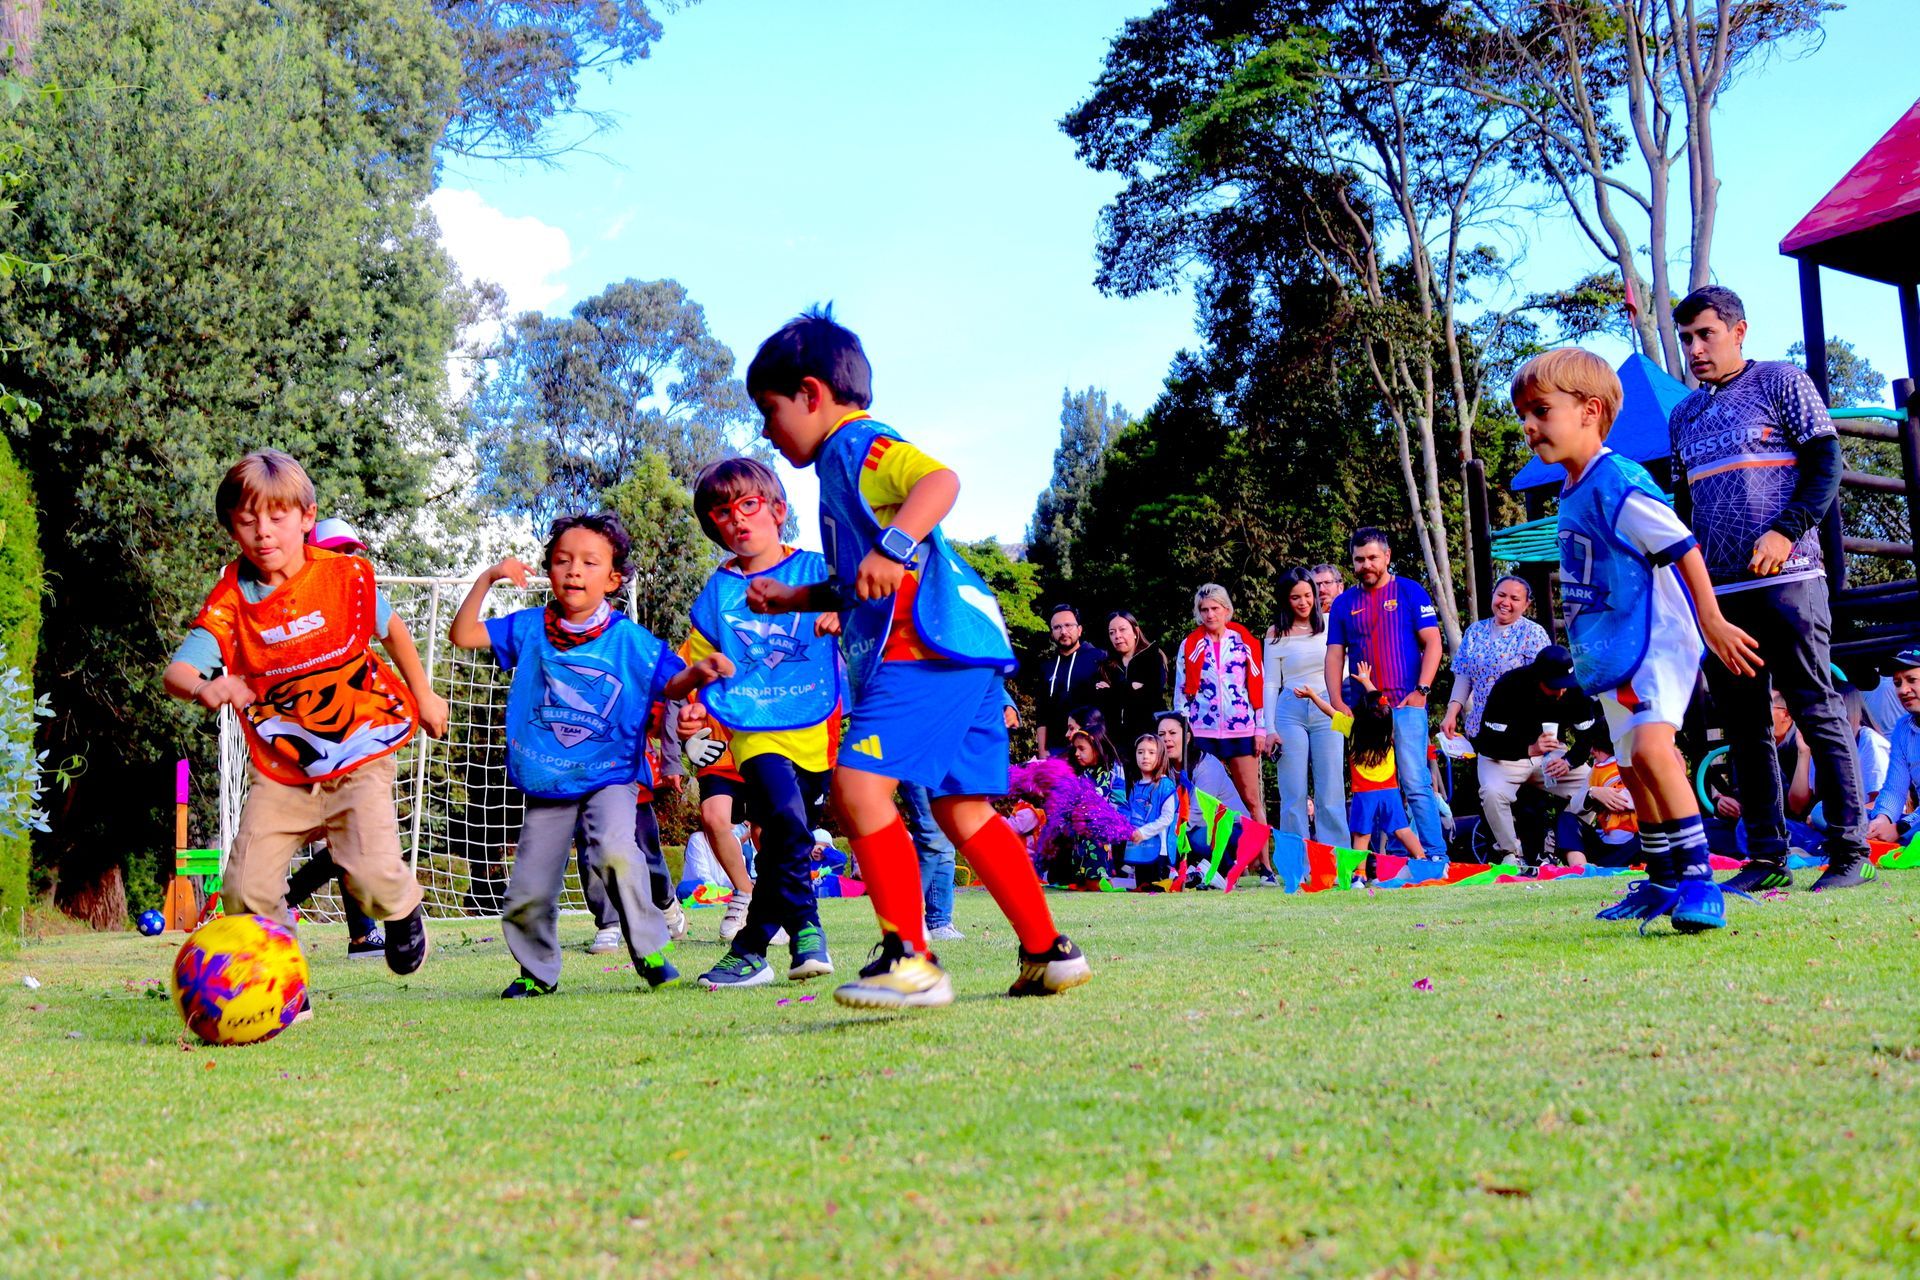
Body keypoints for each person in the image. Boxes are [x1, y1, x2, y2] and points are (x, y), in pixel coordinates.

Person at [743, 306, 1090, 1008]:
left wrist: (895, 545)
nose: (765, 430)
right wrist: (794, 598)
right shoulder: (839, 477)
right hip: (965, 652)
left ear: (812, 395)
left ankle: (911, 958)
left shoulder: (857, 445)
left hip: (922, 652)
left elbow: (939, 483)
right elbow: (859, 582)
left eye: (769, 410)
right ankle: (1049, 951)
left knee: (858, 787)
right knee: (966, 810)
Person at [162, 450, 443, 982]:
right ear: (231, 528)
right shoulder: (231, 601)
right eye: (247, 521)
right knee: (244, 886)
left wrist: (424, 695)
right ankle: (284, 982)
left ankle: (404, 907)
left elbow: (394, 630)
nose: (263, 533)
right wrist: (206, 685)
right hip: (285, 768)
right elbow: (177, 671)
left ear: (307, 518)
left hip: (358, 748)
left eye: (277, 517)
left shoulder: (341, 577)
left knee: (371, 879)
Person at [1516, 346, 1762, 931]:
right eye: (1524, 413)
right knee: (1630, 765)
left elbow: (1683, 546)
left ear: (1589, 410)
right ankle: (1660, 882)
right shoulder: (1572, 489)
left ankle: (1701, 882)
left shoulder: (1618, 481)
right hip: (1611, 651)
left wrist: (1712, 621)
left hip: (1656, 641)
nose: (1528, 426)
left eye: (1539, 411)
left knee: (1654, 752)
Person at [449, 512, 722, 996]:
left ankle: (652, 947)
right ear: (549, 570)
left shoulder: (629, 641)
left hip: (611, 773)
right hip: (549, 777)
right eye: (562, 560)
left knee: (616, 851)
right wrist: (488, 577)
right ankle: (536, 971)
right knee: (530, 883)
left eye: (589, 562)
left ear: (613, 578)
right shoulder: (530, 628)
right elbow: (463, 635)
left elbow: (672, 682)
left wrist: (698, 674)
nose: (574, 570)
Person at [1668, 285, 1872, 892]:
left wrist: (1788, 529)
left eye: (1706, 334)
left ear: (1739, 331)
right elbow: (1685, 507)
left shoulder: (1782, 381)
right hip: (1723, 597)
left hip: (1792, 580)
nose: (1696, 349)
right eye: (1686, 339)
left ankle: (1849, 854)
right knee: (1745, 726)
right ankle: (1765, 859)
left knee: (1814, 707)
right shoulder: (1684, 415)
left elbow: (1825, 464)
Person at [674, 457, 844, 990]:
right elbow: (689, 667)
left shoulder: (818, 571)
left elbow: (875, 611)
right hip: (753, 730)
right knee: (789, 823)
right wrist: (689, 703)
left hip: (816, 733)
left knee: (785, 839)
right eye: (722, 513)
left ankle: (750, 949)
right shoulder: (719, 592)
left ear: (777, 510)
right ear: (712, 525)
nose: (738, 520)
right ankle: (807, 928)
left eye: (748, 505)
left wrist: (843, 613)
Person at [278, 516, 390, 957]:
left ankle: (361, 934)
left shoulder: (356, 606)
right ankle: (286, 899)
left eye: (350, 553)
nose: (345, 560)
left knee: (351, 837)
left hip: (354, 738)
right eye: (335, 552)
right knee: (347, 838)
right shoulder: (294, 606)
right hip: (310, 742)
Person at [1324, 528, 1446, 860]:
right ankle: (1390, 860)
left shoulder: (1409, 590)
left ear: (1387, 556)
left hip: (1406, 704)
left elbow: (1433, 642)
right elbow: (1335, 654)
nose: (1366, 565)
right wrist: (1336, 701)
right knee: (1372, 786)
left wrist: (1422, 690)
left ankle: (1435, 856)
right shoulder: (1343, 603)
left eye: (1373, 557)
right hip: (1364, 715)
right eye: (1359, 559)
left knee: (1415, 783)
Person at [1470, 645, 1601, 869]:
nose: (1561, 692)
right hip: (1506, 756)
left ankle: (1563, 843)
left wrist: (1569, 762)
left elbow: (1587, 737)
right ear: (1539, 678)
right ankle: (1511, 853)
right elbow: (1488, 742)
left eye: (1565, 686)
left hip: (1551, 755)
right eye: (1555, 686)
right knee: (1492, 792)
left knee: (1594, 782)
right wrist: (1528, 748)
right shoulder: (1509, 685)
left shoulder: (1575, 688)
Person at [1294, 663, 1427, 876]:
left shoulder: (1353, 731)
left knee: (1361, 834)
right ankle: (1423, 859)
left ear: (1360, 716)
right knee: (1402, 829)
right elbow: (1381, 706)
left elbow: (1329, 710)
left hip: (1364, 794)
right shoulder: (1388, 733)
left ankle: (1360, 874)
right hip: (1389, 791)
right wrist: (1366, 680)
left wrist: (1312, 696)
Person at [1174, 584, 1270, 869]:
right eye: (1204, 610)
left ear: (1227, 610)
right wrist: (1183, 729)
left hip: (1241, 729)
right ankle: (1199, 863)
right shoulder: (1190, 645)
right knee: (1199, 801)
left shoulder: (1245, 641)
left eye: (1215, 608)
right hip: (1202, 731)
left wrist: (1260, 728)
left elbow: (1257, 685)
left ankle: (1264, 865)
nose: (1210, 614)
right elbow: (1181, 690)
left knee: (1251, 798)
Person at [1263, 566, 1348, 849]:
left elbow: (1343, 669)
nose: (1303, 602)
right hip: (1290, 711)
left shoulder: (1331, 623)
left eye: (1308, 595)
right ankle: (1295, 869)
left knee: (1331, 790)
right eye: (1295, 597)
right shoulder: (1276, 632)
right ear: (1286, 600)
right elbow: (1271, 683)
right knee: (1293, 793)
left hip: (1327, 708)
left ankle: (1337, 866)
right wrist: (1269, 729)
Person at [1441, 575, 1551, 742]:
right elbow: (1464, 676)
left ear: (1526, 604)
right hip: (1481, 728)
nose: (1505, 602)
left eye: (1514, 598)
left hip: (1520, 731)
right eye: (1501, 595)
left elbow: (1545, 684)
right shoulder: (1475, 631)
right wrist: (1451, 713)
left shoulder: (1533, 633)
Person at [1031, 604, 1107, 758]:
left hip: (1091, 748)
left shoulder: (1099, 658)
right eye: (1057, 627)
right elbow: (1042, 712)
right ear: (1052, 633)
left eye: (1068, 625)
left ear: (1079, 629)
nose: (1063, 631)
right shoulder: (1047, 666)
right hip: (1055, 750)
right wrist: (1042, 751)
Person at [1866, 648, 1920, 845]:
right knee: (1825, 811)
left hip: (1913, 823)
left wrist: (1900, 827)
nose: (1903, 690)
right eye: (1897, 683)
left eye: (1911, 680)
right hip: (1913, 822)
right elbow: (1894, 788)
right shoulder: (1903, 728)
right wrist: (1881, 820)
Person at [1095, 611, 1167, 748]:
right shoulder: (1106, 665)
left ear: (1135, 631)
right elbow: (1102, 699)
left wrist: (1113, 690)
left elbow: (1151, 695)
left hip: (1148, 737)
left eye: (1122, 629)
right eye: (1112, 632)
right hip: (1116, 740)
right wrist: (1131, 687)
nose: (1117, 636)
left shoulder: (1153, 657)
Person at [902, 782, 963, 943]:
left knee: (943, 839)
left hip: (935, 767)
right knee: (932, 835)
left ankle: (939, 922)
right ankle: (910, 920)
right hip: (916, 765)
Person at [1121, 734, 1178, 889]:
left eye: (1151, 752)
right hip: (1139, 850)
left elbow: (1167, 818)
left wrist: (1143, 832)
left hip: (1159, 851)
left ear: (1161, 756)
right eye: (1140, 752)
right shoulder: (1135, 785)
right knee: (1142, 888)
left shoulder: (1165, 785)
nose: (1145, 756)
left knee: (1156, 890)